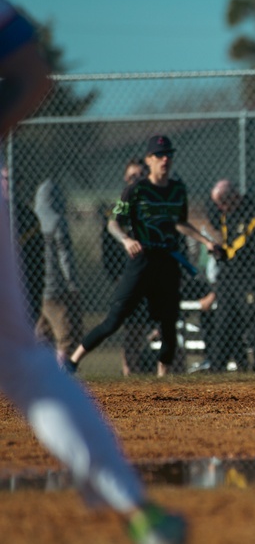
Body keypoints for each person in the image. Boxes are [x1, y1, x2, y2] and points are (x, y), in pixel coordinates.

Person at [0, 0, 187, 542]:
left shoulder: (171, 189)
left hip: (156, 268)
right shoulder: (136, 191)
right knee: (25, 366)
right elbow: (33, 76)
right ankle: (136, 510)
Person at [67, 135, 223, 377]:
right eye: (159, 155)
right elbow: (113, 224)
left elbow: (179, 223)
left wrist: (206, 242)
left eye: (168, 155)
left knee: (169, 324)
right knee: (114, 320)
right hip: (142, 261)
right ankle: (72, 362)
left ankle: (163, 379)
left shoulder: (177, 190)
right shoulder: (135, 190)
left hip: (168, 262)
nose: (165, 159)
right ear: (149, 160)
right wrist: (127, 239)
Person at [206, 179, 255, 372]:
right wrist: (220, 252)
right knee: (223, 324)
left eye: (223, 202)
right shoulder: (224, 214)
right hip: (229, 277)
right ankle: (217, 369)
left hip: (251, 279)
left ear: (234, 197)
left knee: (254, 324)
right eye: (218, 204)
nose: (220, 208)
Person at [103, 158, 156, 375]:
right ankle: (130, 373)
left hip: (155, 279)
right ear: (126, 179)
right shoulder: (119, 209)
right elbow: (108, 251)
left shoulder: (156, 205)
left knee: (166, 327)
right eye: (132, 177)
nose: (137, 180)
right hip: (130, 279)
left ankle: (170, 376)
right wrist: (119, 278)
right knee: (133, 331)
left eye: (141, 176)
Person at [32, 179, 84, 366]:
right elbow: (65, 256)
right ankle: (62, 372)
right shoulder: (57, 220)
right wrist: (72, 283)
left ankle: (36, 368)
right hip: (56, 289)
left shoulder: (31, 218)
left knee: (41, 332)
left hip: (36, 286)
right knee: (66, 336)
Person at [1, 164, 43, 323]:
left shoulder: (28, 217)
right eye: (5, 179)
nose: (9, 184)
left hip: (24, 286)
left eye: (14, 180)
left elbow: (37, 259)